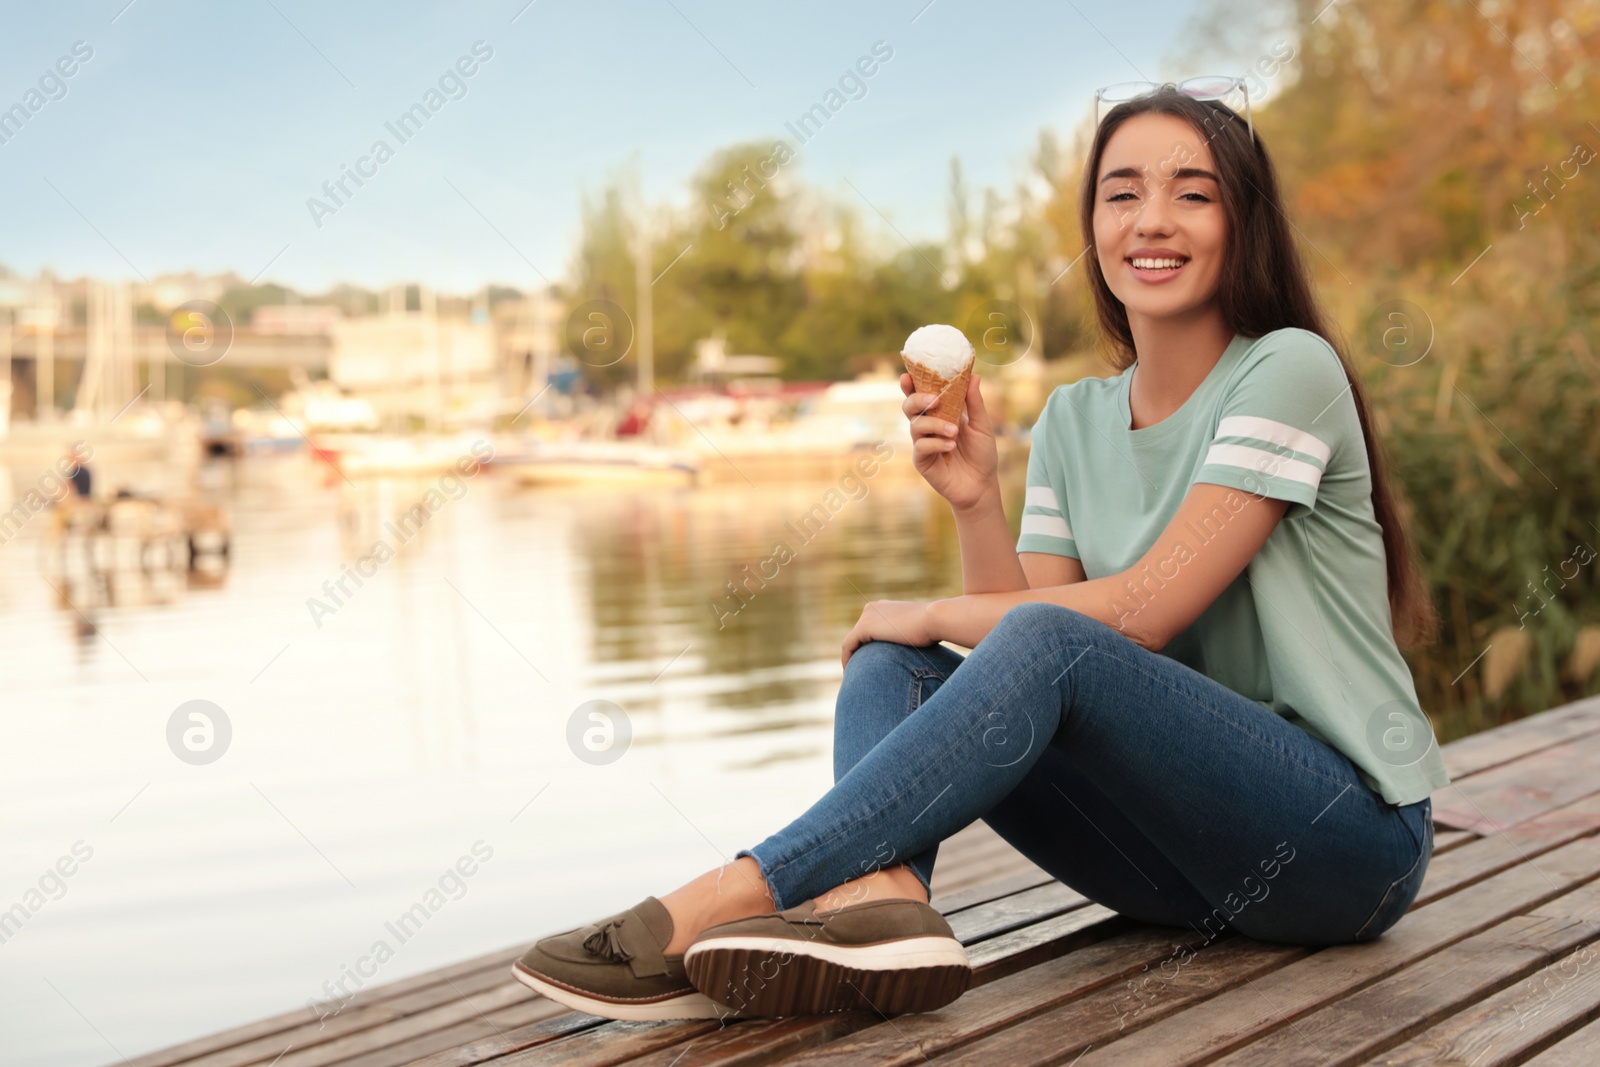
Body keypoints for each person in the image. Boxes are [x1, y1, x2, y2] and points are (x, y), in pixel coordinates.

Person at [510, 83, 1451, 1023]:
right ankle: (885, 908)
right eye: (1122, 193)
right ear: (1092, 225)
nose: (1152, 220)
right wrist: (974, 503)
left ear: (1243, 220)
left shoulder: (1288, 369)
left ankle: (738, 892)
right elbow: (1024, 666)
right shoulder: (1077, 419)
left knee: (974, 634)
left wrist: (926, 608)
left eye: (1192, 193)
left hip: (1342, 846)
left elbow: (1143, 610)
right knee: (896, 664)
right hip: (1178, 870)